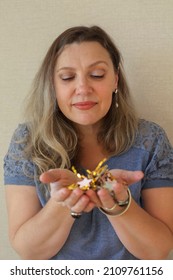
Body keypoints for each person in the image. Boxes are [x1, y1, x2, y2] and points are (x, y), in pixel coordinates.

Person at [3, 25, 173, 260]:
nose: (82, 88)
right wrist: (64, 203)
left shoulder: (150, 140)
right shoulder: (27, 141)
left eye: (97, 75)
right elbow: (29, 252)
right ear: (53, 85)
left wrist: (118, 205)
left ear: (115, 80)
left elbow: (159, 251)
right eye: (67, 77)